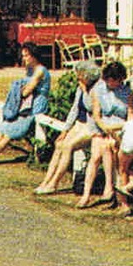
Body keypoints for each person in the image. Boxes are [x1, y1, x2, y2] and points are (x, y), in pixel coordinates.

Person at [0, 44, 51, 165]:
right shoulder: (29, 70)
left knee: (9, 133)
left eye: (27, 56)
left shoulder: (40, 71)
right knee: (3, 129)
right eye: (23, 56)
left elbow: (26, 91)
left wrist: (19, 90)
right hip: (25, 105)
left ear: (34, 56)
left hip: (34, 106)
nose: (24, 59)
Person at [34, 62, 101, 196]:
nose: (77, 78)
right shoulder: (80, 88)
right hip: (79, 124)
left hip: (91, 127)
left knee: (68, 147)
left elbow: (91, 108)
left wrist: (85, 91)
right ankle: (46, 181)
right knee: (59, 145)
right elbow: (75, 109)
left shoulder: (96, 89)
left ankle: (54, 184)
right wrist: (65, 130)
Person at [78, 61, 133, 209]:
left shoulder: (126, 92)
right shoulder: (99, 90)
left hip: (120, 128)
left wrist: (120, 131)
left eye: (115, 80)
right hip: (103, 127)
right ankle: (86, 194)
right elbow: (96, 115)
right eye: (109, 80)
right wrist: (106, 129)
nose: (111, 83)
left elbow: (130, 116)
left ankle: (115, 194)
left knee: (109, 149)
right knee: (96, 156)